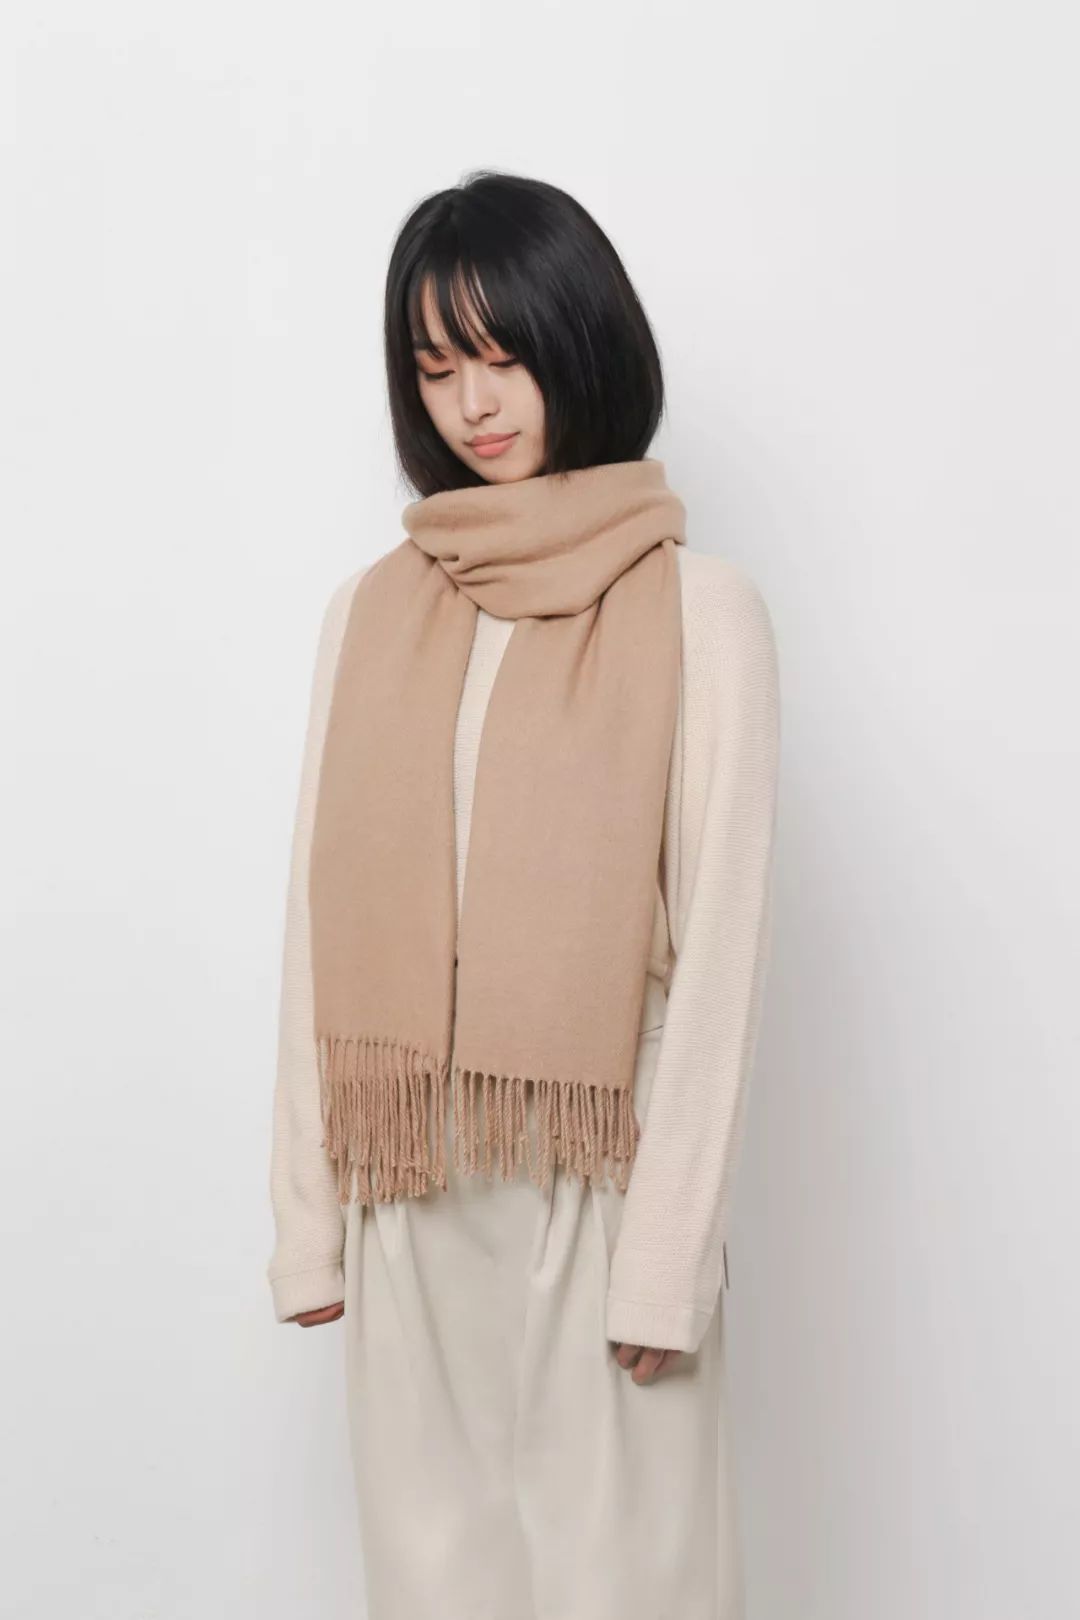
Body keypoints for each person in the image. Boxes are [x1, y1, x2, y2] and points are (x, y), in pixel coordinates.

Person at [266, 169, 780, 1620]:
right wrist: (310, 1220)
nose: (474, 404)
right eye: (437, 367)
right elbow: (314, 927)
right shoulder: (371, 613)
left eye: (503, 355)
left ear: (582, 342)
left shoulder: (702, 614)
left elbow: (721, 961)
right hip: (410, 1200)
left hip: (599, 1196)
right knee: (435, 1594)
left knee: (633, 1593)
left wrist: (667, 1264)